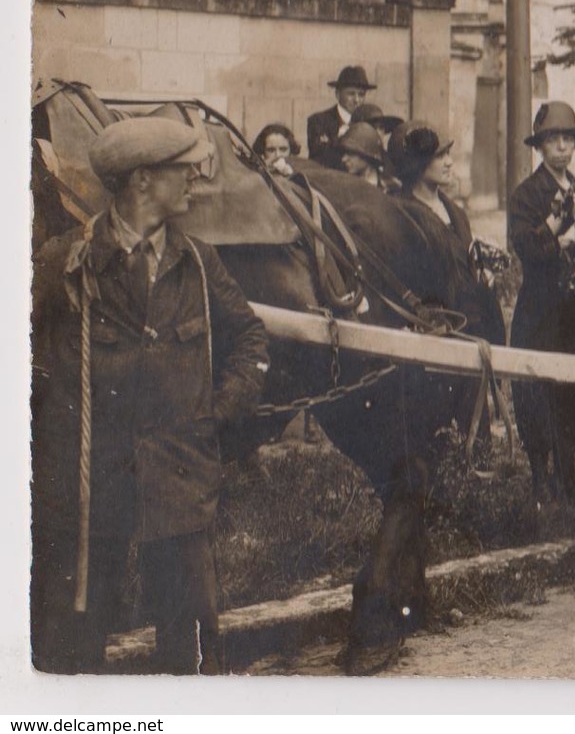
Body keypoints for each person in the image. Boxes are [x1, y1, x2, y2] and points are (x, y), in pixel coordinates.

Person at [31, 117, 269, 674]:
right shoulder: (66, 262)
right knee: (70, 650)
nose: (195, 180)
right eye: (183, 170)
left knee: (191, 657)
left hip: (179, 485)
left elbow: (250, 338)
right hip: (92, 493)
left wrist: (219, 411)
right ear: (142, 180)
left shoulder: (200, 264)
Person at [507, 103, 575, 501]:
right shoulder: (528, 194)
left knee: (573, 391)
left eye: (568, 140)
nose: (562, 148)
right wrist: (560, 235)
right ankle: (540, 475)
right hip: (541, 307)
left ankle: (568, 472)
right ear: (541, 147)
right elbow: (527, 249)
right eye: (553, 140)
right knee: (536, 390)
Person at [307, 65, 376, 171]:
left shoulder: (368, 123)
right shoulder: (319, 121)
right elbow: (317, 157)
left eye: (361, 95)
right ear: (337, 94)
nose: (357, 100)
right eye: (351, 94)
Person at [337, 122, 388, 188]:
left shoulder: (389, 189)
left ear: (367, 156)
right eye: (343, 153)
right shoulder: (342, 185)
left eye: (350, 153)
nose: (343, 159)